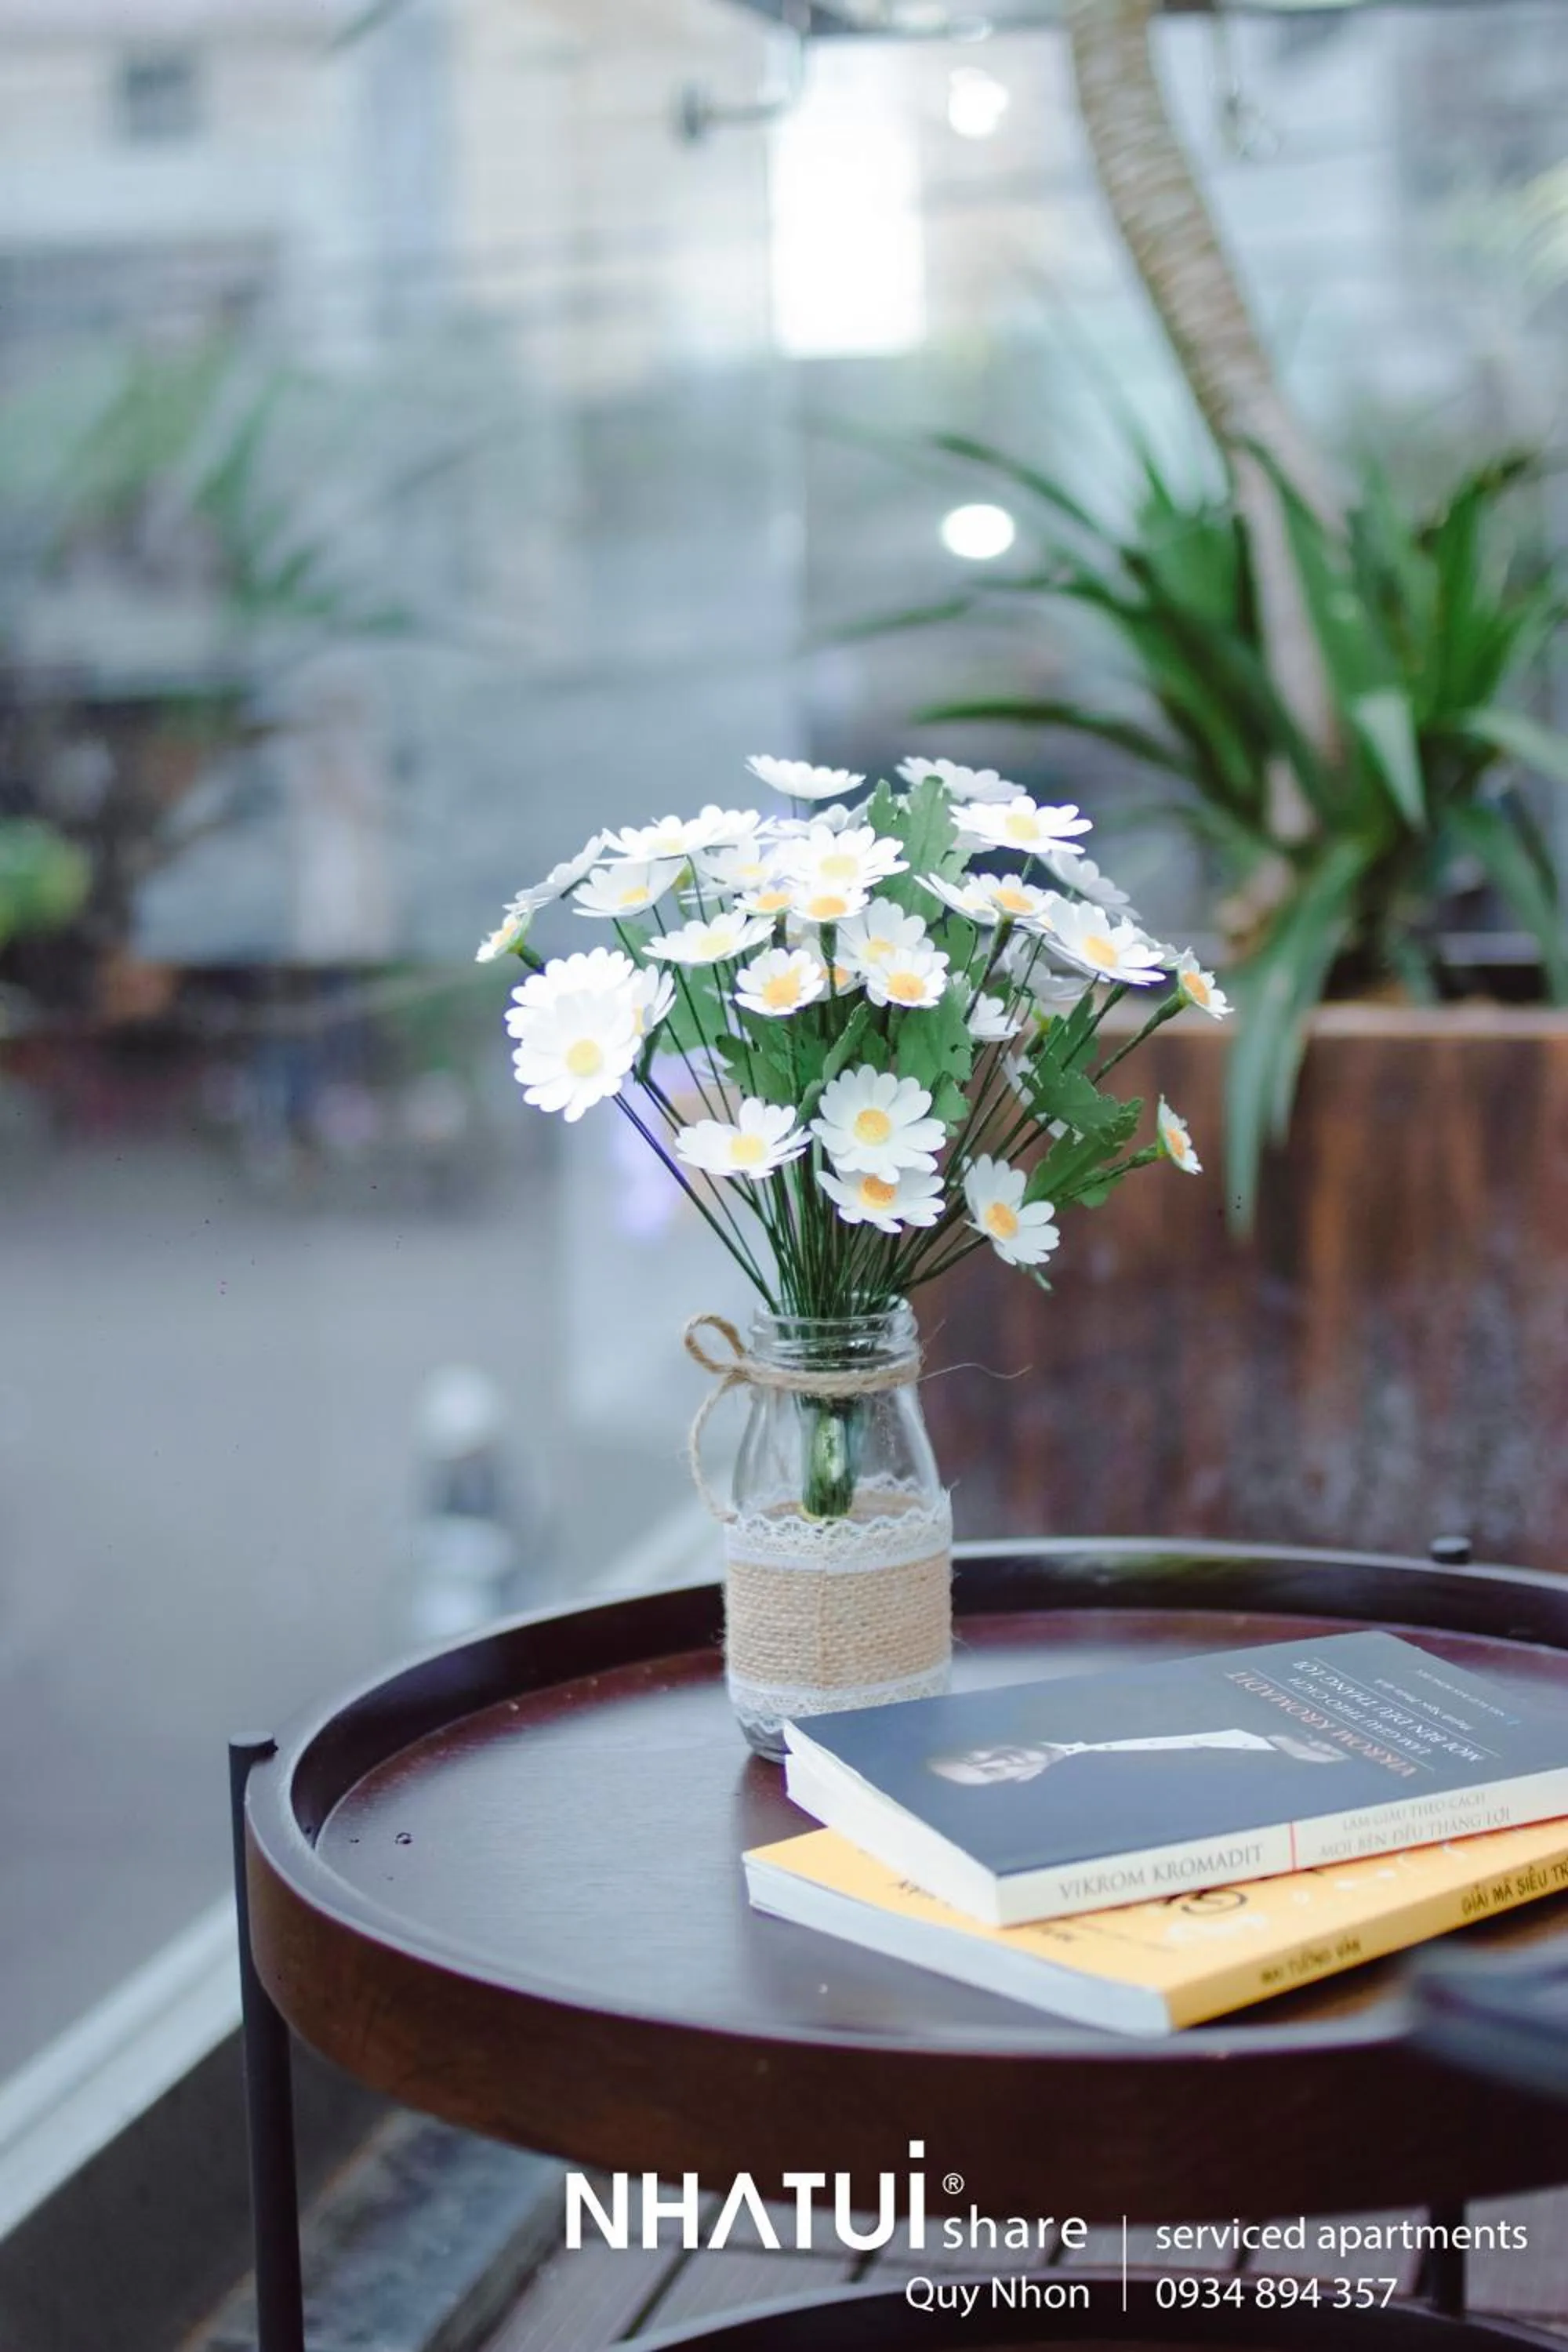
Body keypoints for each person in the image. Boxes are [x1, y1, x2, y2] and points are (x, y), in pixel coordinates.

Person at [927, 1726, 1348, 1785]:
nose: (996, 1762)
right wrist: (1282, 1751)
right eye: (988, 1774)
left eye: (975, 1757)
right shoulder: (1103, 1790)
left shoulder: (1070, 1708)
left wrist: (1276, 1732)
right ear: (1020, 1780)